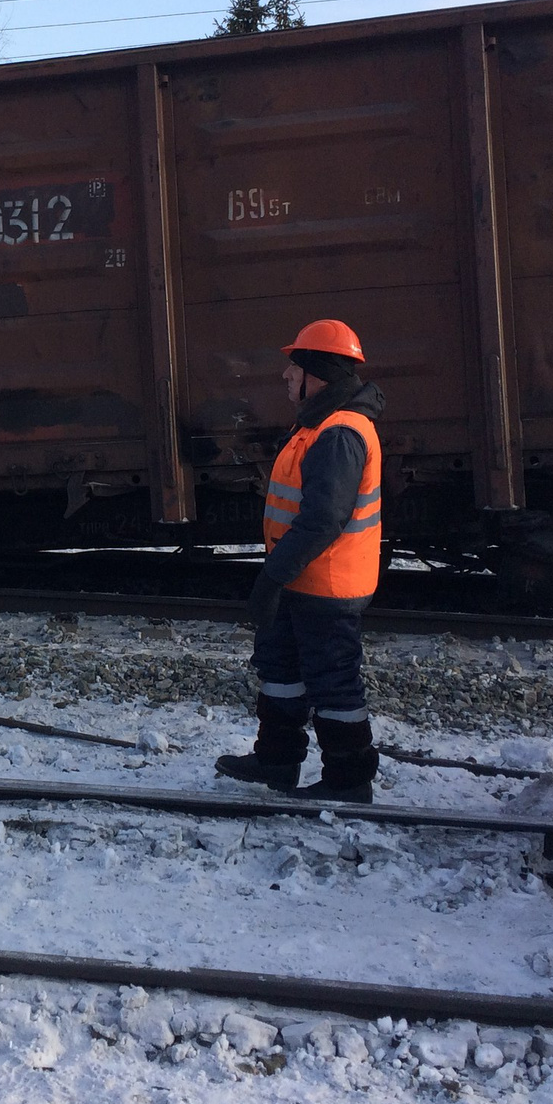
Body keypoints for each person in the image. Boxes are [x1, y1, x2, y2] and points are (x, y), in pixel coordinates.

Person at [216, 319, 386, 803]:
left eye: (295, 368)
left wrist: (272, 576)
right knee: (281, 669)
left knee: (333, 685)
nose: (287, 378)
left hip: (327, 586)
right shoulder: (319, 423)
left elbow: (322, 521)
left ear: (319, 373)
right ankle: (276, 761)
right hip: (303, 580)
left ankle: (348, 781)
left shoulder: (339, 433)